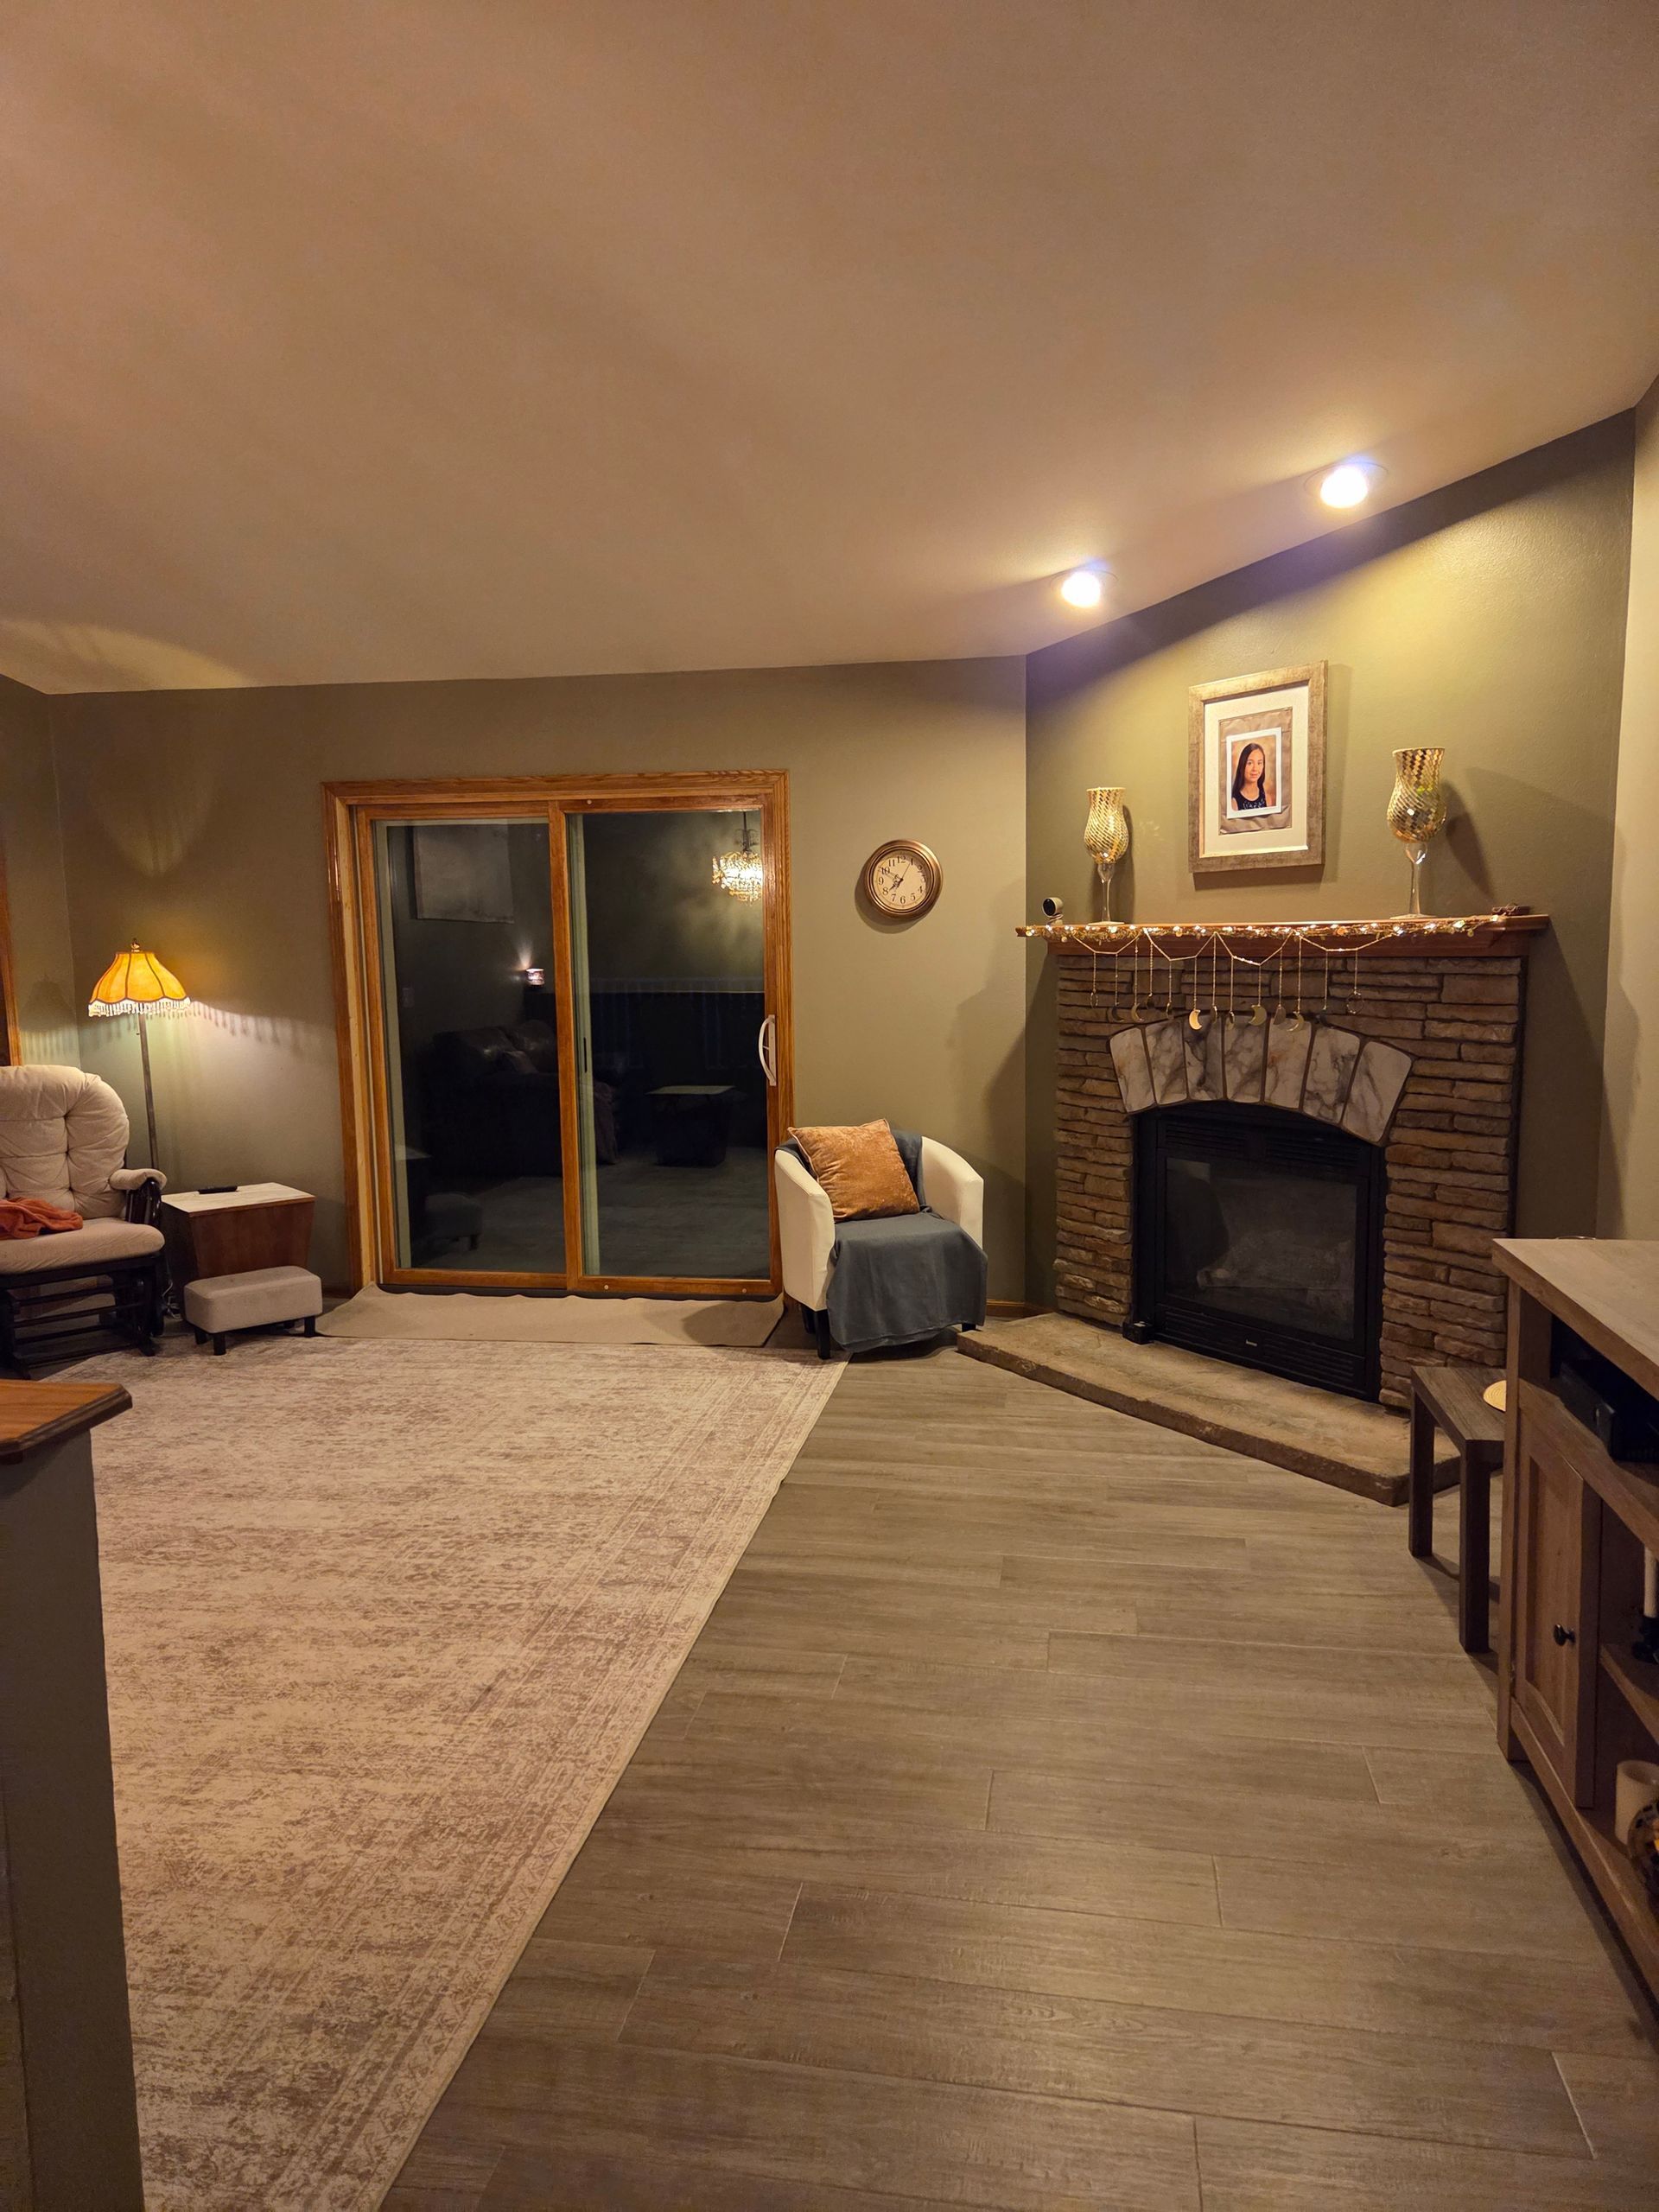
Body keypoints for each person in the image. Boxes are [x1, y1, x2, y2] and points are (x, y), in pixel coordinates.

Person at [1230, 740, 1271, 811]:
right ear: (1242, 766)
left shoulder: (1267, 799)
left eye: (1259, 763)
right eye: (1250, 763)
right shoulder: (1233, 803)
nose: (1255, 769)